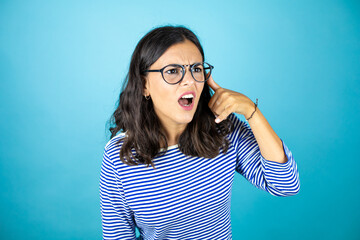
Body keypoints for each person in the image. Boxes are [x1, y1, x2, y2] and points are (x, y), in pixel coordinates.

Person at [99, 25, 300, 240]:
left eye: (196, 69)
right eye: (173, 71)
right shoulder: (119, 156)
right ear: (144, 85)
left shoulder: (222, 127)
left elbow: (285, 184)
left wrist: (251, 110)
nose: (190, 81)